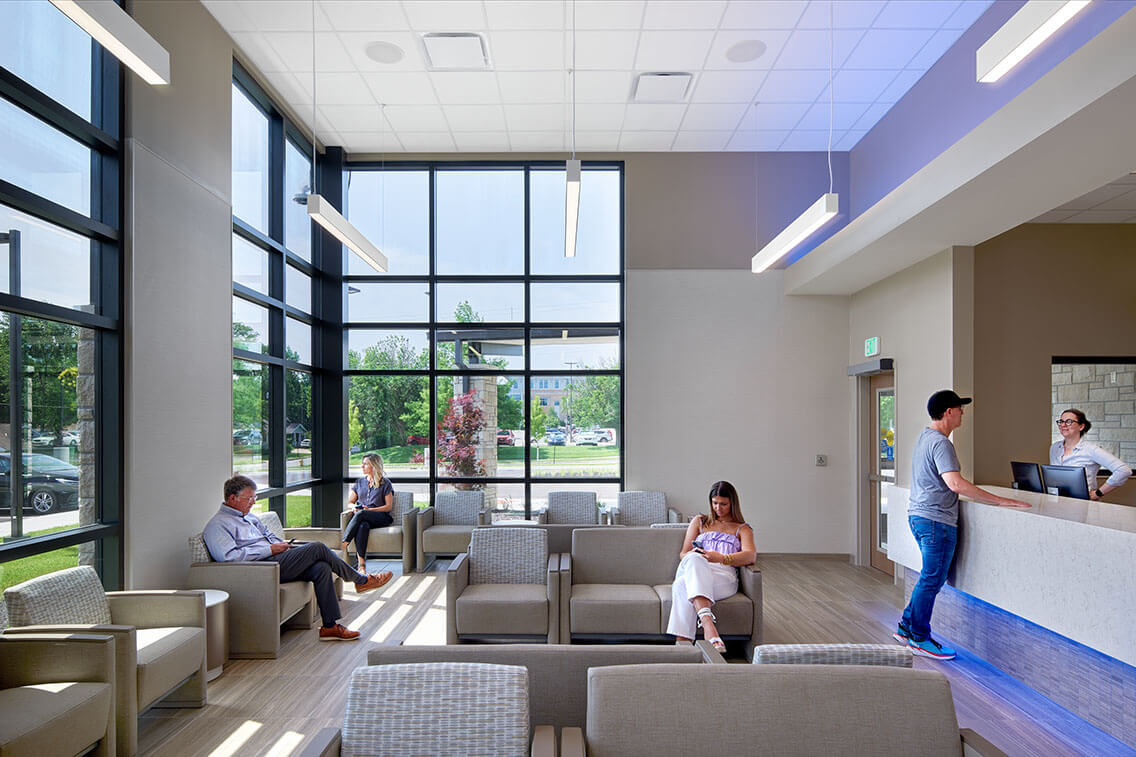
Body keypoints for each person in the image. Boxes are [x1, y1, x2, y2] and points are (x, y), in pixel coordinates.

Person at [895, 390, 1031, 660]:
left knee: (930, 577)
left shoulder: (925, 437)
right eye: (960, 409)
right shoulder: (941, 443)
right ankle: (919, 638)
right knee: (932, 578)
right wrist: (999, 501)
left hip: (921, 516)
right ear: (948, 412)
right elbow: (954, 483)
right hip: (935, 520)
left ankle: (906, 627)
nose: (963, 413)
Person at [204, 474, 392, 641]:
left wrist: (285, 547)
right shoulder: (218, 526)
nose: (253, 502)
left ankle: (329, 626)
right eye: (249, 498)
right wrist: (270, 550)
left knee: (321, 568)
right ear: (232, 498)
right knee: (317, 548)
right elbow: (230, 559)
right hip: (259, 569)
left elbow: (270, 537)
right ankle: (360, 580)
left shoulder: (250, 517)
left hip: (276, 559)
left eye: (255, 497)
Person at [667, 481, 755, 653]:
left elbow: (750, 556)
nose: (718, 508)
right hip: (697, 570)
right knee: (693, 558)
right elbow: (684, 554)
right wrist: (700, 555)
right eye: (715, 503)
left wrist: (721, 558)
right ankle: (708, 626)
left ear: (732, 504)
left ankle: (682, 648)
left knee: (681, 585)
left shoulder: (742, 529)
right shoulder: (700, 522)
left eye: (723, 504)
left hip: (724, 578)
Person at [1050, 408, 1131, 501]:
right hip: (1059, 502)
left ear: (1081, 426)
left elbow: (1124, 470)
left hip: (1084, 504)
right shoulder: (1054, 448)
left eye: (1069, 421)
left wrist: (1098, 493)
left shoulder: (1091, 449)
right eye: (1061, 421)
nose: (1063, 425)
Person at [341, 453, 395, 572]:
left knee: (361, 514)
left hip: (381, 517)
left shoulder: (385, 483)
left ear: (374, 466)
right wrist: (354, 507)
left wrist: (369, 510)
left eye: (365, 464)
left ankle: (343, 543)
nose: (362, 466)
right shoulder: (360, 482)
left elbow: (388, 507)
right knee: (362, 526)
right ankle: (361, 565)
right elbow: (350, 502)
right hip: (363, 518)